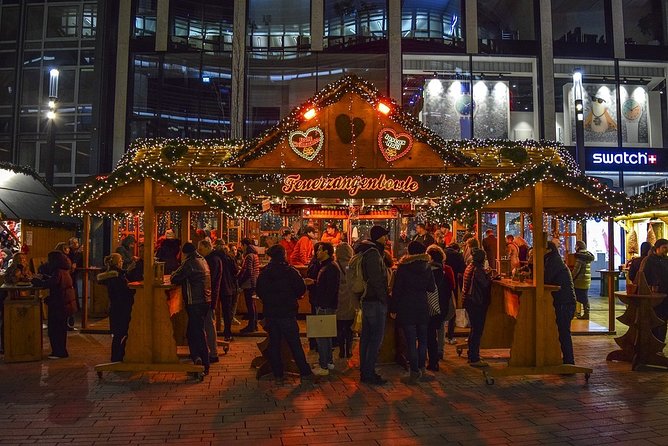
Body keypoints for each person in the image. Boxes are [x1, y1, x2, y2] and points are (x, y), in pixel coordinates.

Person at [256, 244, 314, 383]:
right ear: (283, 255)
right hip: (287, 312)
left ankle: (278, 375)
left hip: (271, 313)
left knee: (274, 343)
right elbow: (300, 289)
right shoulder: (290, 272)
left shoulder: (265, 273)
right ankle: (305, 372)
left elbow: (259, 291)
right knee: (295, 343)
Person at [391, 241, 437, 384]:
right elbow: (431, 288)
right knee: (422, 340)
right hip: (422, 307)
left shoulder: (403, 268)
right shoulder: (427, 267)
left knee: (411, 341)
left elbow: (397, 290)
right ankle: (422, 369)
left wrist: (393, 308)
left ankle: (414, 372)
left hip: (407, 307)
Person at [354, 225, 391, 385]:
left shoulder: (366, 250)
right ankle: (368, 372)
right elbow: (377, 279)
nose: (386, 239)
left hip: (367, 300)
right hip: (374, 300)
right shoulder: (373, 253)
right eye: (384, 236)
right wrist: (384, 299)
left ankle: (365, 370)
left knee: (366, 338)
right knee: (375, 338)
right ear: (379, 237)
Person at [170, 242, 212, 375]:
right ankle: (197, 359)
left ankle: (203, 363)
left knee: (197, 333)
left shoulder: (189, 263)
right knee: (192, 332)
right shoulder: (202, 260)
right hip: (205, 300)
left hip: (195, 302)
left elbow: (175, 277)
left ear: (184, 253)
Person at [304, 242, 340, 376]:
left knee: (322, 336)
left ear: (326, 252)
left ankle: (324, 365)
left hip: (324, 306)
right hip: (325, 305)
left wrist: (321, 302)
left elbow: (329, 289)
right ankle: (328, 362)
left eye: (319, 250)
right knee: (326, 335)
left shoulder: (329, 268)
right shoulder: (326, 266)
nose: (316, 252)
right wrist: (314, 282)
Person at [96, 253, 135, 362]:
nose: (122, 262)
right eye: (121, 260)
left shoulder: (113, 274)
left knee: (118, 334)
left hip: (116, 307)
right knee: (121, 333)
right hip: (121, 308)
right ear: (118, 263)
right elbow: (123, 291)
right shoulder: (115, 277)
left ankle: (117, 356)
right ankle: (117, 357)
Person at [543, 241, 576, 365]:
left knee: (563, 332)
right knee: (562, 332)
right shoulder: (552, 260)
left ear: (548, 250)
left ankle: (569, 362)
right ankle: (567, 360)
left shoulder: (553, 262)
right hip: (564, 300)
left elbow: (545, 278)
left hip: (564, 302)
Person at [42, 249, 77, 359]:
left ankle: (58, 352)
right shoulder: (64, 270)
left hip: (59, 304)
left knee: (55, 329)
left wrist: (38, 282)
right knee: (61, 329)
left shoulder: (57, 271)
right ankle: (61, 351)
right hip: (65, 304)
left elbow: (52, 283)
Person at [426, 244, 455, 371]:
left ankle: (429, 356)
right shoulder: (447, 269)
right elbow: (452, 285)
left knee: (430, 330)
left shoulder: (426, 270)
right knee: (441, 326)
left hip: (430, 304)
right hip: (443, 302)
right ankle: (440, 351)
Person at [462, 248, 492, 367]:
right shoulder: (478, 270)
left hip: (469, 301)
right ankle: (474, 357)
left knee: (474, 329)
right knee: (477, 329)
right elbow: (484, 284)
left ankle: (472, 354)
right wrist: (489, 276)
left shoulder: (470, 267)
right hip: (476, 302)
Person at [639, 239, 668, 342]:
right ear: (657, 248)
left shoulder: (666, 260)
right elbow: (643, 276)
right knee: (655, 319)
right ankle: (653, 343)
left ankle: (660, 343)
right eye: (664, 247)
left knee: (663, 320)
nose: (666, 250)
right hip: (653, 296)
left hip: (665, 295)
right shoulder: (649, 260)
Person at [198, 239, 222, 363]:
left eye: (201, 249)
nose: (200, 252)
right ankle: (212, 351)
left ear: (208, 247)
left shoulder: (212, 260)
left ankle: (213, 353)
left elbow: (209, 280)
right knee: (209, 324)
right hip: (211, 296)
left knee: (209, 324)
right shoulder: (215, 259)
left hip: (209, 296)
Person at [335, 243, 357, 359]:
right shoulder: (352, 265)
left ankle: (341, 350)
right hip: (350, 299)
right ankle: (348, 349)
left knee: (339, 327)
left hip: (338, 299)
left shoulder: (335, 265)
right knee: (349, 327)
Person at [214, 239, 238, 341]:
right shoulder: (229, 257)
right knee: (227, 311)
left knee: (211, 310)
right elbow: (235, 271)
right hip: (227, 286)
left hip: (215, 287)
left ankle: (212, 332)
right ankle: (227, 334)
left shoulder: (212, 257)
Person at [444, 243, 466, 345]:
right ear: (457, 249)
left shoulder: (442, 252)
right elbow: (462, 270)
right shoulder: (458, 256)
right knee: (452, 310)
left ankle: (440, 336)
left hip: (439, 285)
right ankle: (450, 336)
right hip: (452, 285)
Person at [237, 238, 260, 333]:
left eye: (242, 245)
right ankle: (254, 325)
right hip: (254, 282)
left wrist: (240, 281)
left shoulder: (249, 256)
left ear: (245, 245)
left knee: (250, 305)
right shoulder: (255, 255)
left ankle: (251, 326)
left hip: (249, 284)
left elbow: (248, 271)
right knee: (253, 305)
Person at [572, 240, 595, 320]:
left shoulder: (580, 257)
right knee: (584, 298)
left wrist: (571, 278)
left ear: (578, 247)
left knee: (574, 297)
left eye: (576, 246)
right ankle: (586, 313)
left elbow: (576, 270)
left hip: (579, 281)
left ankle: (576, 313)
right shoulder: (587, 256)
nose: (575, 247)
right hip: (585, 281)